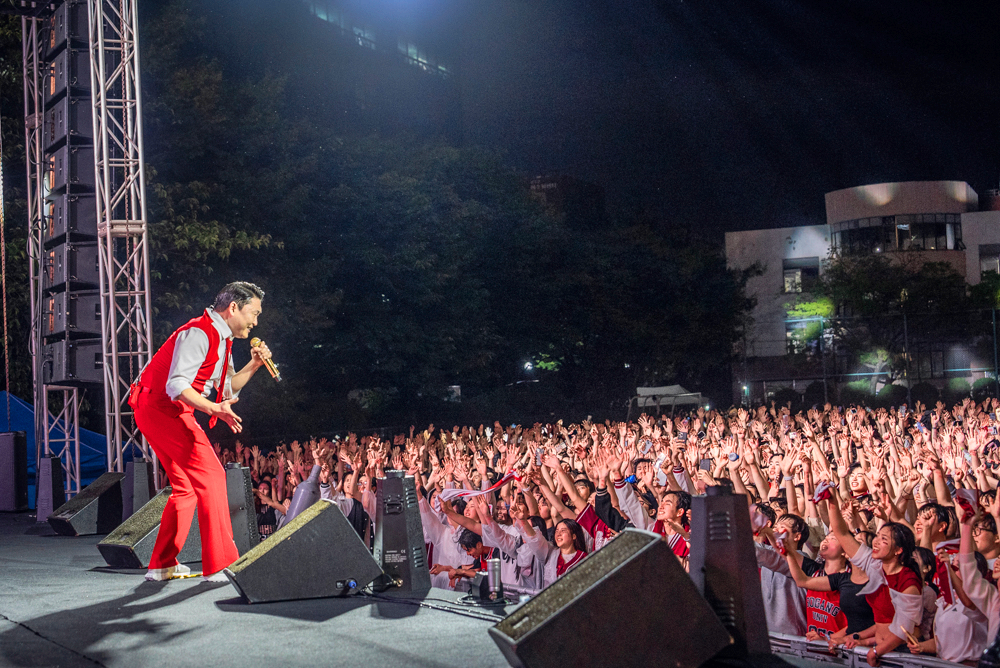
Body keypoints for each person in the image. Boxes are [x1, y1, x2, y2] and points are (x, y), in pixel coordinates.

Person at [131, 282, 272, 582]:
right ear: (234, 307)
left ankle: (162, 563)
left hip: (157, 407)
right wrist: (211, 408)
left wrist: (255, 365)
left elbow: (228, 387)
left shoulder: (224, 340)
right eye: (254, 313)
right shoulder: (199, 332)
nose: (256, 322)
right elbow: (176, 385)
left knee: (186, 488)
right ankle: (220, 565)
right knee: (212, 477)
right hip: (161, 406)